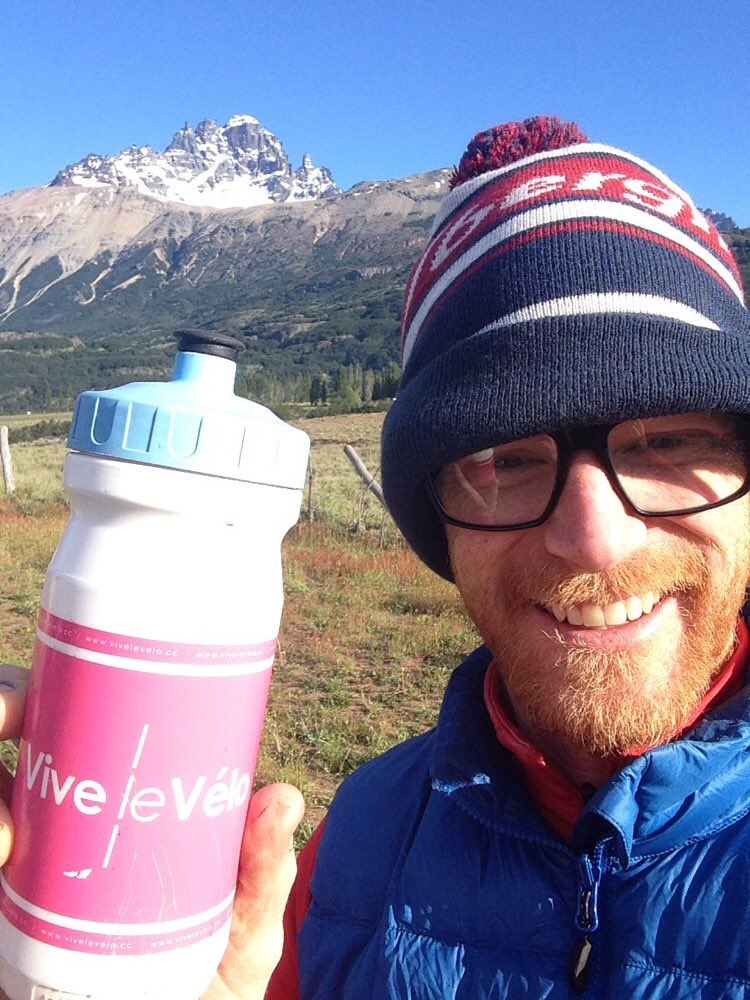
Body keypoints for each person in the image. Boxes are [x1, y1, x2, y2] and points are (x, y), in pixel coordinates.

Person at [1, 115, 750, 998]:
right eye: (505, 458)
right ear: (437, 512)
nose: (594, 537)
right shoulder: (348, 853)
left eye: (665, 440)